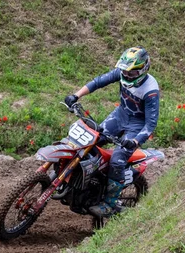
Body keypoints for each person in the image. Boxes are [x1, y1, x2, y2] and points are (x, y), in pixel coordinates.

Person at [64, 46, 160, 218]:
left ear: (143, 69)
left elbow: (150, 123)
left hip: (136, 127)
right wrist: (76, 96)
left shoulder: (151, 90)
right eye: (125, 72)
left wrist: (135, 141)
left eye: (132, 73)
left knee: (117, 159)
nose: (127, 76)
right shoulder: (122, 73)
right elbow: (98, 81)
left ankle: (110, 204)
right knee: (89, 140)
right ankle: (82, 181)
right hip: (120, 116)